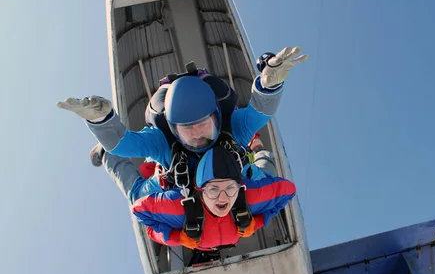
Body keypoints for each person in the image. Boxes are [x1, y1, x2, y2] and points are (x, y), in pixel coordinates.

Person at [56, 47, 307, 203]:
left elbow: (261, 110)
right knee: (137, 195)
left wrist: (271, 84)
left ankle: (261, 153)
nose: (197, 134)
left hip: (227, 177)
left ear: (217, 116)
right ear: (174, 129)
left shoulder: (232, 126)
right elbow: (124, 144)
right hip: (176, 180)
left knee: (268, 176)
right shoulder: (162, 139)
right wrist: (101, 120)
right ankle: (103, 153)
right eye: (187, 129)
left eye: (203, 124)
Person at [131, 143, 296, 252]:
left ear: (240, 186)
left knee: (266, 167)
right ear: (200, 190)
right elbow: (139, 211)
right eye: (213, 189)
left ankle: (258, 148)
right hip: (168, 168)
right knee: (133, 193)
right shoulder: (178, 208)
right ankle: (109, 154)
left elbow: (288, 191)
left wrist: (258, 222)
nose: (222, 198)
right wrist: (175, 238)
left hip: (242, 177)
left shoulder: (251, 197)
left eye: (230, 188)